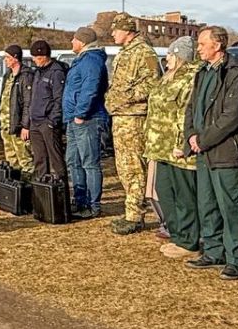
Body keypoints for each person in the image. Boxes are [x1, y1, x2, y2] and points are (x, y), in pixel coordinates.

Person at [183, 25, 238, 281]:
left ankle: (236, 257)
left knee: (228, 204)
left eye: (201, 44)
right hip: (201, 148)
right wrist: (191, 136)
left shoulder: (234, 71)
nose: (198, 48)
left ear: (217, 45)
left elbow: (231, 115)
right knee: (206, 202)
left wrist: (204, 139)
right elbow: (192, 107)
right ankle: (212, 250)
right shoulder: (202, 71)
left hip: (223, 149)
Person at [105, 13, 161, 235]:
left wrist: (125, 97)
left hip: (134, 117)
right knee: (124, 166)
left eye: (115, 29)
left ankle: (136, 215)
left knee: (134, 167)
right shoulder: (124, 53)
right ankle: (130, 211)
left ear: (127, 30)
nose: (112, 33)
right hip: (121, 117)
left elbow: (152, 83)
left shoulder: (144, 52)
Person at [146, 36, 202, 260]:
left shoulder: (190, 78)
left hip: (178, 150)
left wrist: (183, 144)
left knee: (184, 196)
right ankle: (177, 234)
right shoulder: (167, 78)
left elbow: (185, 113)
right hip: (160, 147)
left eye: (170, 54)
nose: (166, 58)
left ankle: (189, 240)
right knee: (165, 192)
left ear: (179, 55)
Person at [63, 27, 109, 219]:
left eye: (74, 39)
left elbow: (90, 88)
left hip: (87, 119)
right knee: (73, 161)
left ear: (82, 41)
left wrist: (80, 114)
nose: (71, 42)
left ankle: (93, 204)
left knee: (90, 163)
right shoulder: (81, 60)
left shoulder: (91, 61)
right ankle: (80, 200)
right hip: (74, 119)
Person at [21, 40, 67, 180]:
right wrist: (28, 121)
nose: (35, 61)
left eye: (38, 58)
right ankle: (41, 191)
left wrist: (52, 121)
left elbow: (59, 99)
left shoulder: (56, 72)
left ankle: (60, 190)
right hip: (35, 122)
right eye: (33, 57)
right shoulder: (37, 73)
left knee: (56, 159)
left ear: (45, 56)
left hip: (48, 123)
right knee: (39, 159)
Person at [0, 45, 34, 177]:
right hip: (5, 124)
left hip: (18, 125)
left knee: (24, 158)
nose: (5, 60)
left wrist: (26, 125)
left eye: (7, 57)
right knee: (11, 158)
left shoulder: (26, 76)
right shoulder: (7, 75)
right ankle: (15, 188)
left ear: (15, 58)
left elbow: (28, 103)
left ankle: (29, 186)